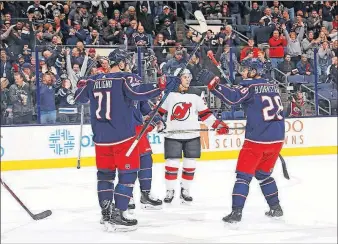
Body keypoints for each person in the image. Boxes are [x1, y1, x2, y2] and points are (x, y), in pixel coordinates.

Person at [75, 48, 178, 232]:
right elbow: (137, 93)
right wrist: (161, 85)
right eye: (127, 62)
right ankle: (119, 213)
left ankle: (106, 214)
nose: (129, 65)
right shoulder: (125, 78)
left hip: (101, 140)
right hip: (123, 138)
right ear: (121, 63)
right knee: (127, 174)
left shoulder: (93, 80)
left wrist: (81, 84)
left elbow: (77, 98)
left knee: (105, 176)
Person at [197, 67, 285, 223]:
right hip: (277, 139)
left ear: (254, 71)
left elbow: (232, 98)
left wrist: (214, 84)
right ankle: (276, 208)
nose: (242, 73)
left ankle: (236, 213)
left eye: (245, 70)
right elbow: (254, 102)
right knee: (263, 175)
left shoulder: (249, 86)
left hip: (257, 140)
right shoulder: (272, 85)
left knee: (243, 177)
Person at [157, 69, 229, 204]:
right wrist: (159, 123)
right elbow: (158, 112)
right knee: (171, 163)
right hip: (173, 134)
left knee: (190, 164)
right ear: (178, 78)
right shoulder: (168, 93)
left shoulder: (196, 93)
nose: (188, 79)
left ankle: (185, 190)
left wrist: (217, 125)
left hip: (192, 135)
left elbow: (205, 114)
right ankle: (170, 190)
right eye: (185, 77)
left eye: (189, 76)